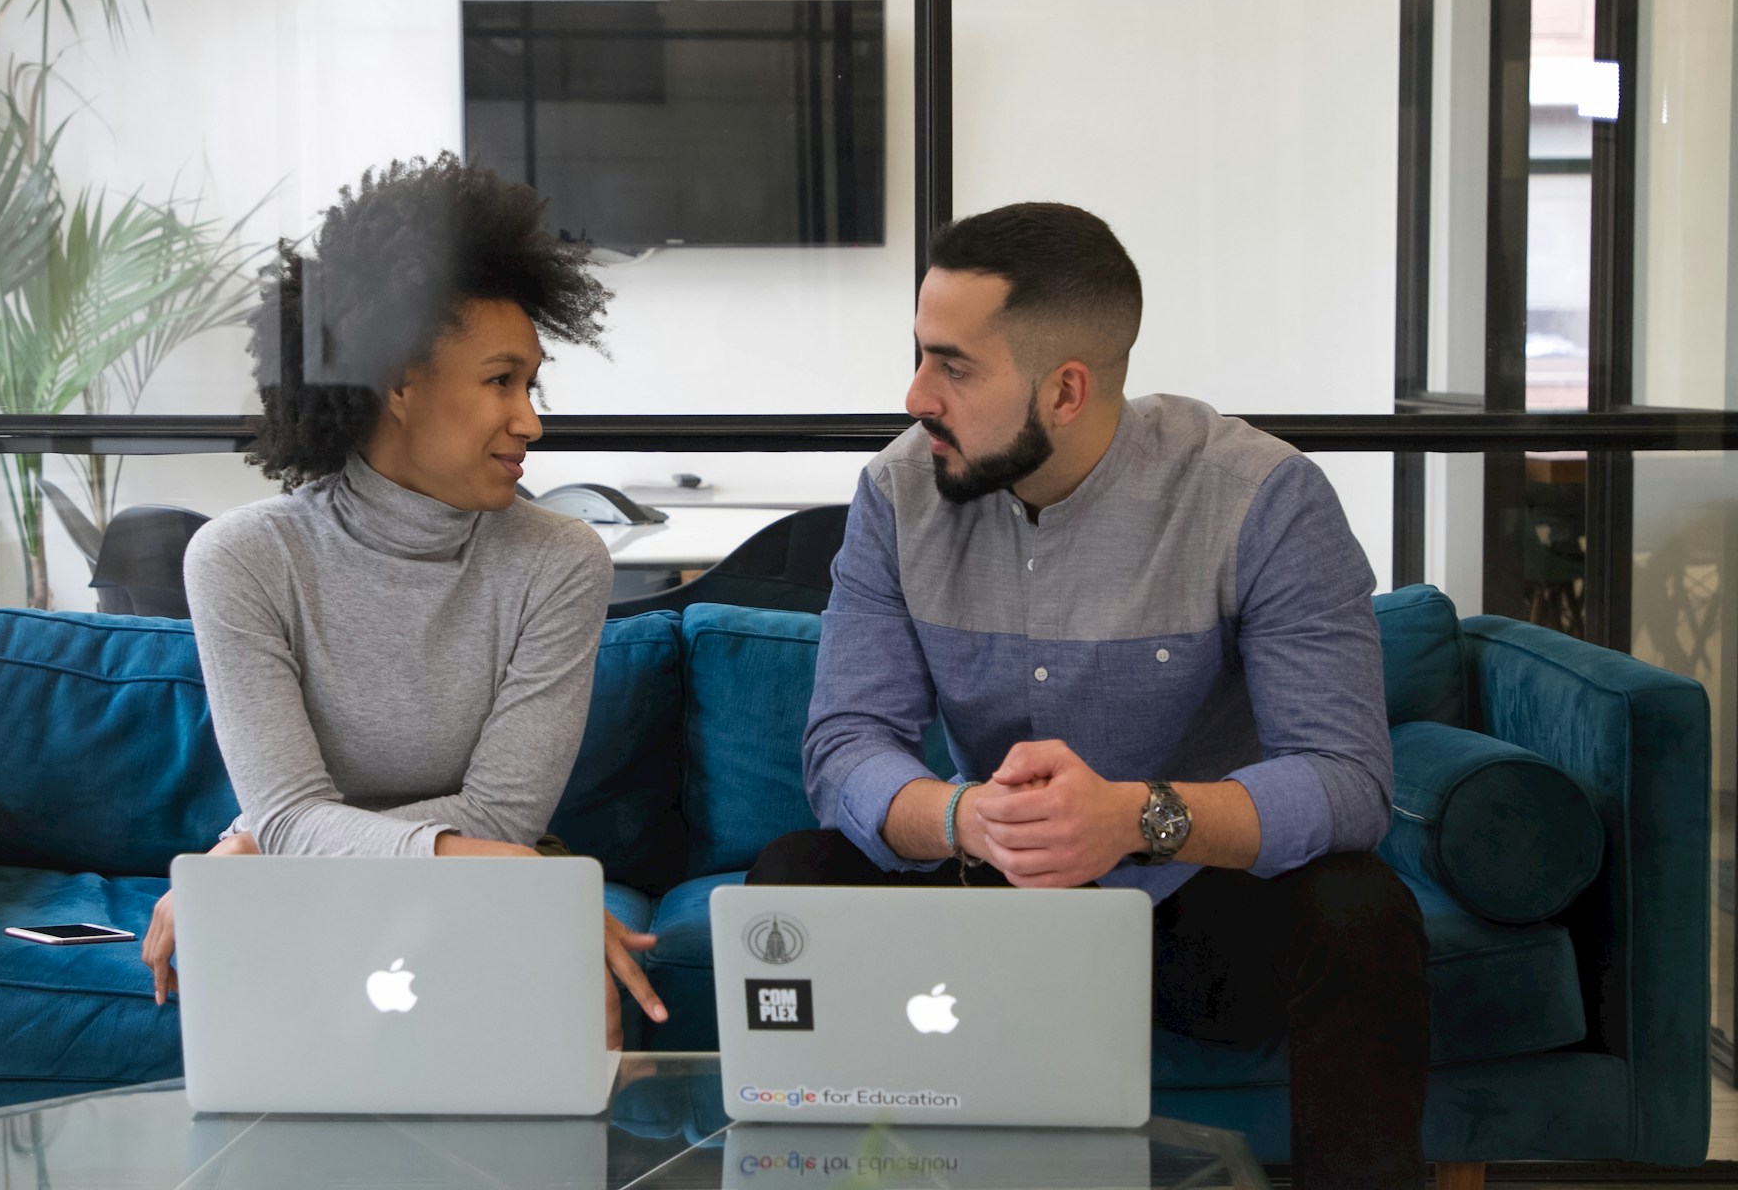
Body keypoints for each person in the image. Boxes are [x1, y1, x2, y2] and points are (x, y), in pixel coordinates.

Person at [747, 203, 1429, 1189]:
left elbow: (1347, 780)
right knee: (795, 873)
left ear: (1065, 389)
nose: (915, 394)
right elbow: (848, 739)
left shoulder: (1258, 496)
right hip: (991, 888)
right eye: (919, 355)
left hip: (1191, 901)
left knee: (1359, 908)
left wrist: (1134, 818)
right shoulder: (897, 494)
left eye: (954, 366)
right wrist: (964, 815)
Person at [140, 154, 666, 1049]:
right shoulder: (243, 559)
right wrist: (281, 834)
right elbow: (290, 809)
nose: (531, 420)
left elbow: (505, 817)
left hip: (482, 866)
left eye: (530, 385)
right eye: (502, 381)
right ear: (397, 382)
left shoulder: (560, 558)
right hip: (474, 870)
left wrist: (266, 850)